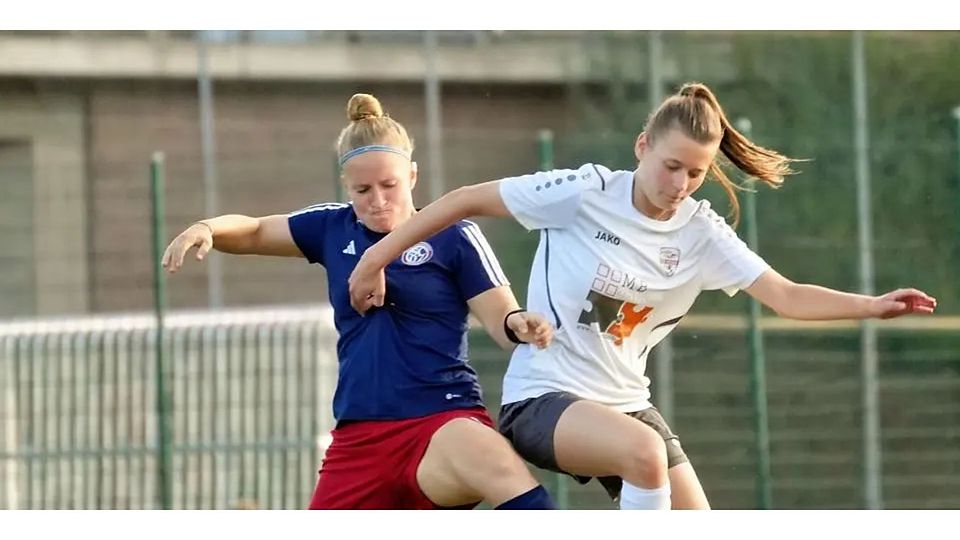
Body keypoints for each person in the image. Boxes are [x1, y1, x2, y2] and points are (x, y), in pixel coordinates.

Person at [347, 82, 938, 510]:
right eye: (671, 166)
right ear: (641, 147)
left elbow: (785, 295)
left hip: (628, 406)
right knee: (646, 454)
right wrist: (376, 258)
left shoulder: (702, 231)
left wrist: (870, 305)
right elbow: (464, 199)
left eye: (696, 174)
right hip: (543, 401)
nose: (679, 185)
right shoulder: (583, 191)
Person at [161, 93, 556, 510]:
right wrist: (207, 228)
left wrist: (519, 323)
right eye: (363, 189)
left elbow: (502, 318)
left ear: (413, 176)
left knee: (502, 471)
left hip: (440, 419)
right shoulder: (333, 226)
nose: (378, 200)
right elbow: (257, 229)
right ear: (345, 186)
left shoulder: (453, 235)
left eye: (390, 185)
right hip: (360, 436)